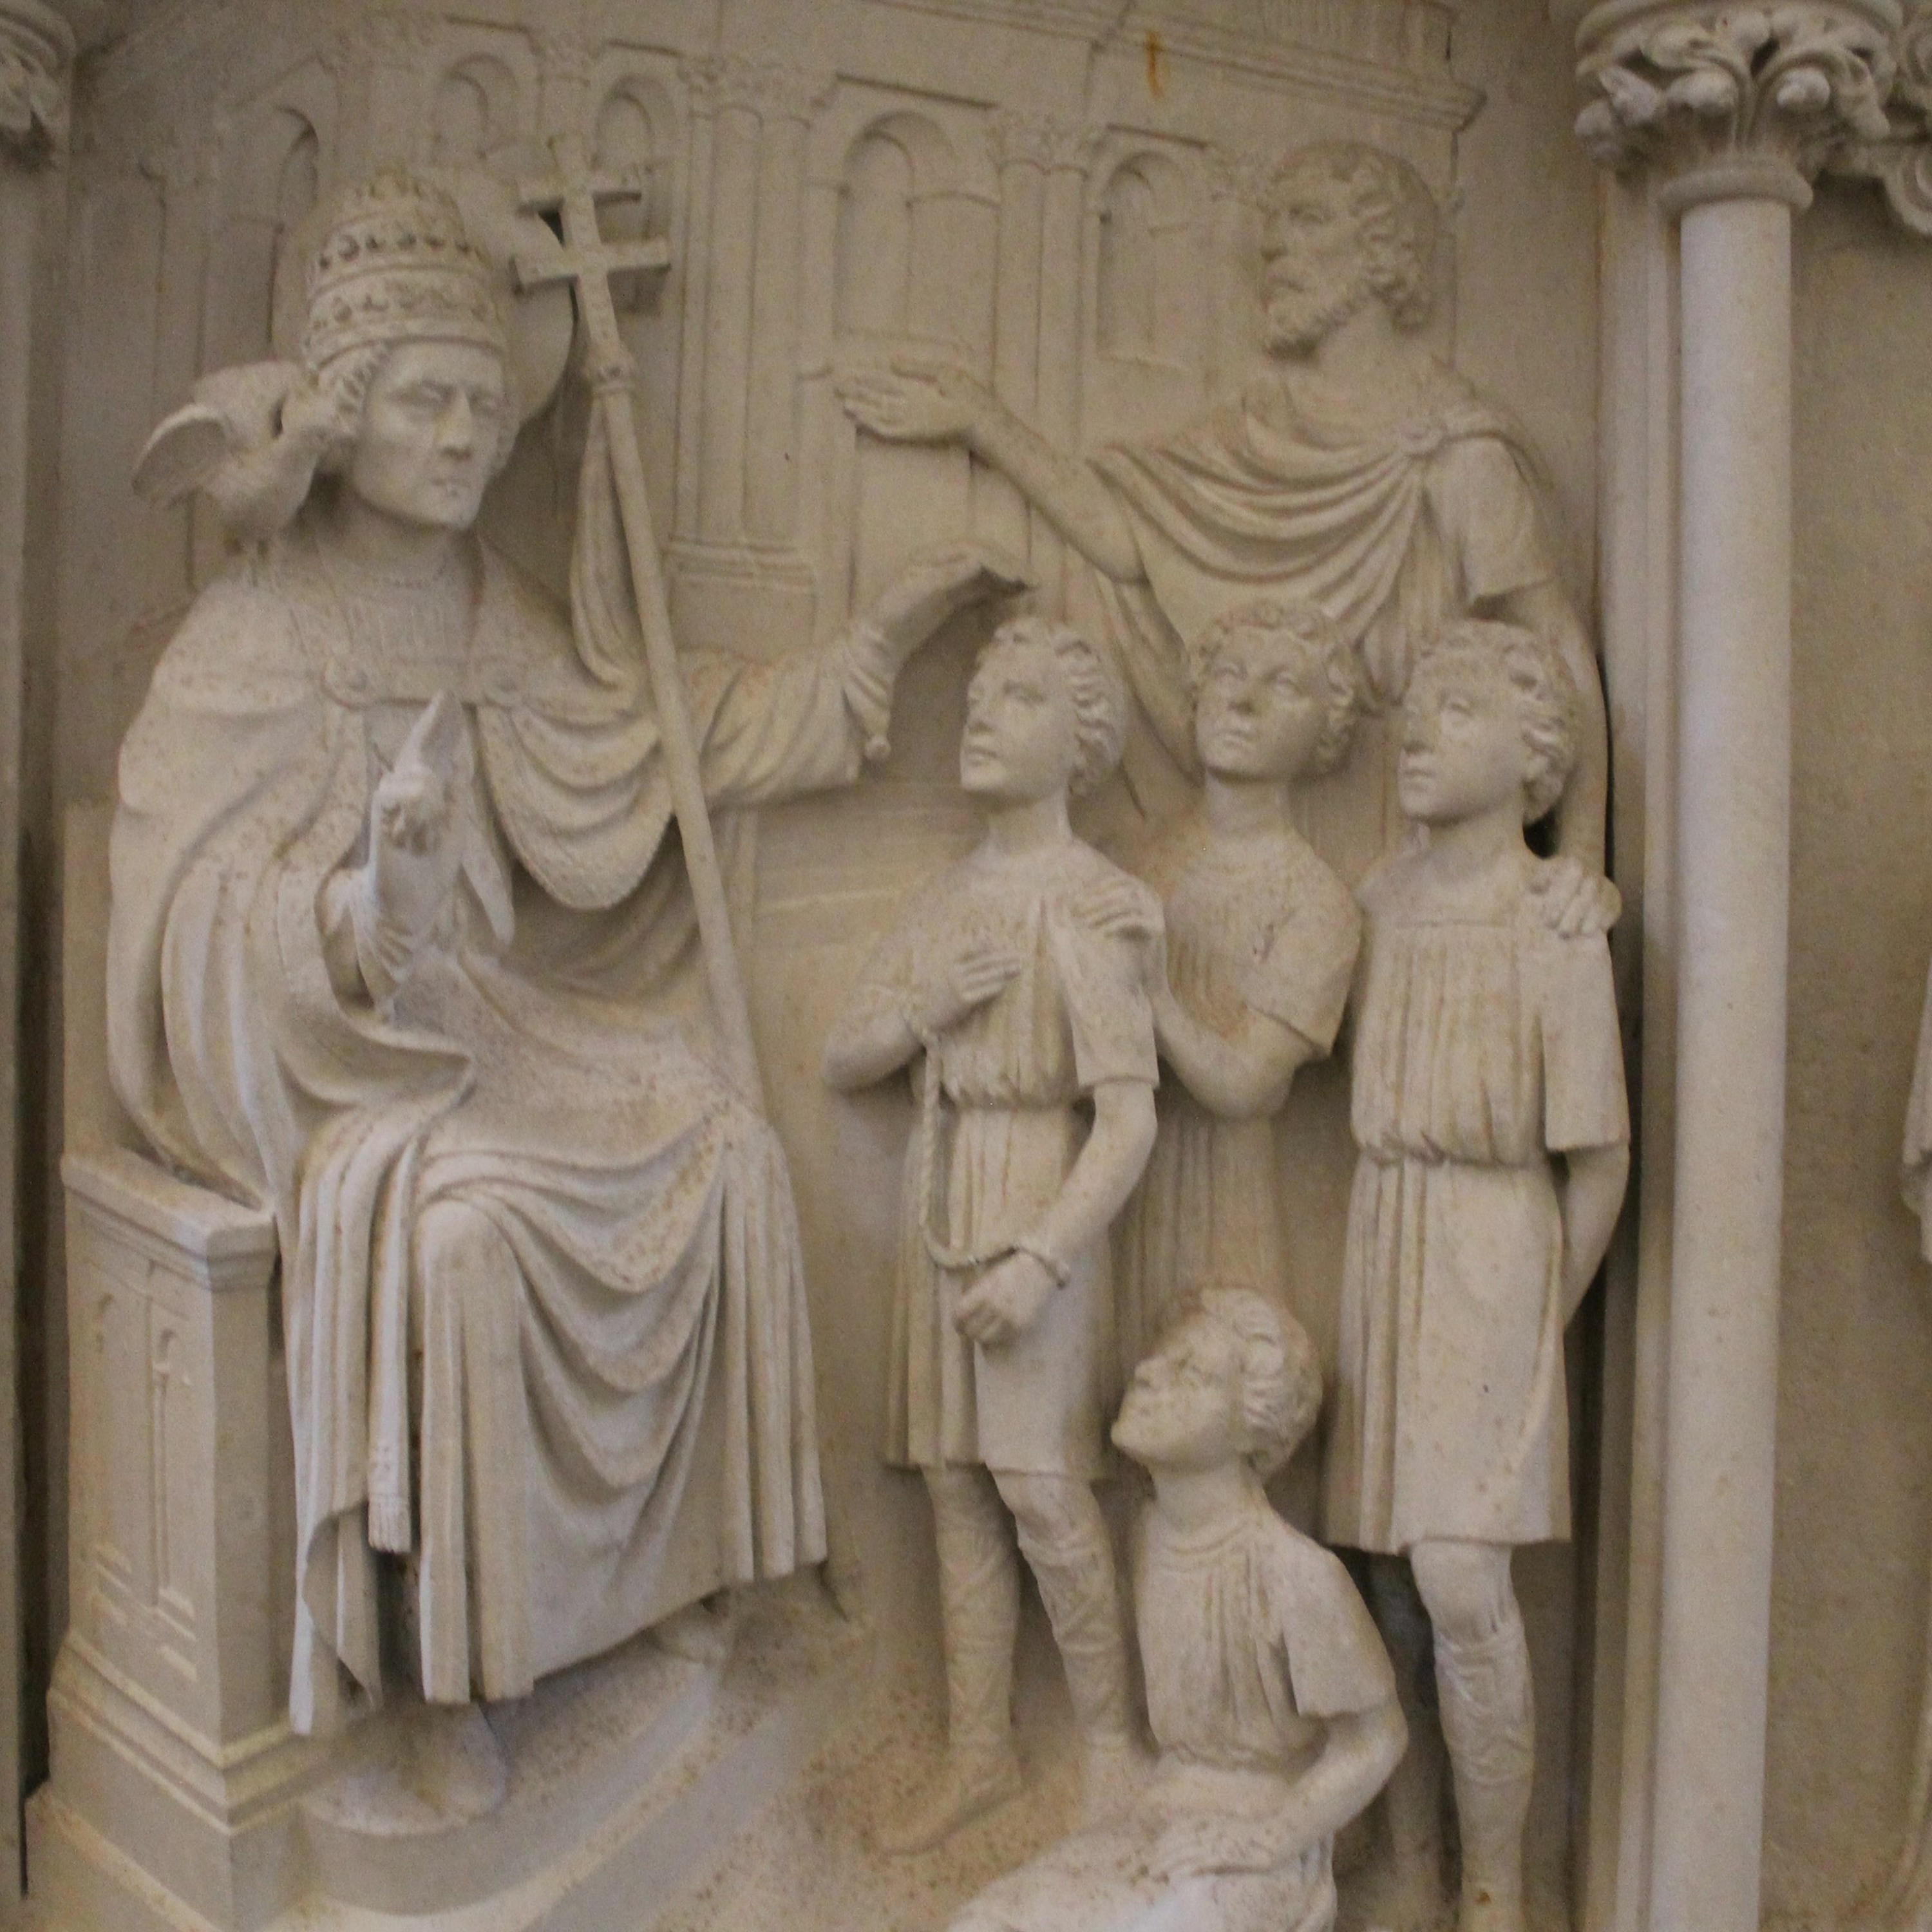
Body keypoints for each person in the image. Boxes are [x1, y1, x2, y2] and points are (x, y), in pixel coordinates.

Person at [108, 169, 1018, 1817]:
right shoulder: (251, 639)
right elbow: (185, 920)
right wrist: (356, 913)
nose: (465, 437)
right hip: (337, 1070)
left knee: (722, 1145)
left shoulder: (483, 610)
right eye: (424, 402)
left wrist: (871, 648)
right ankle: (450, 1680)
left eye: (482, 403)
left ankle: (677, 1582)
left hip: (491, 1031)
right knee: (465, 1235)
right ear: (344, 415)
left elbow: (647, 736)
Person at [837, 140, 1608, 886]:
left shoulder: (1454, 450)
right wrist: (984, 423)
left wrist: (1580, 857)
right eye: (1274, 227)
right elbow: (1126, 542)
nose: (1274, 249)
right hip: (1262, 817)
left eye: (1309, 221)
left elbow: (1553, 645)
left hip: (1400, 828)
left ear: (1382, 254)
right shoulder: (1255, 425)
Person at [821, 616, 1160, 1853]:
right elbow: (843, 1053)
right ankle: (981, 1758)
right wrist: (925, 1008)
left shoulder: (1093, 904)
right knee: (957, 1486)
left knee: (1043, 1492)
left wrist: (1042, 1260)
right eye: (978, 693)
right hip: (944, 1182)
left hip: (1037, 1192)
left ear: (1078, 745)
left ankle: (1112, 1749)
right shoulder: (951, 898)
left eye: (1016, 699)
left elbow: (1128, 1117)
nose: (979, 713)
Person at [1322, 620, 1631, 1932]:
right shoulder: (1382, 902)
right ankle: (1414, 1861)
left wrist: (1534, 1325)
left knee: (1459, 1574)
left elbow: (1599, 1159)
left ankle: (1497, 1882)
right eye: (1418, 710)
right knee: (1387, 1574)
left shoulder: (1554, 925)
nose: (1420, 732)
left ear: (1533, 756)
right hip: (1386, 1228)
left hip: (1494, 1247)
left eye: (1457, 711)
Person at [951, 1289, 1405, 1932]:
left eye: (1189, 1372)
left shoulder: (1293, 1572)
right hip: (1154, 1821)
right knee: (985, 1922)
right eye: (1158, 1359)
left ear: (1253, 1422)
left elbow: (1378, 1738)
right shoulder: (1146, 1536)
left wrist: (1268, 1840)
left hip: (1256, 1847)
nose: (1146, 1373)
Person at [1113, 597, 1363, 1379]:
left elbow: (1246, 1087)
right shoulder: (1144, 860)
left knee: (1217, 1388)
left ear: (1325, 730)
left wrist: (1151, 997)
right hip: (1119, 1171)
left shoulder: (1314, 901)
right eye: (1227, 674)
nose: (1243, 700)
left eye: (1282, 685)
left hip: (1223, 1189)